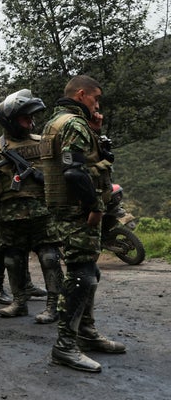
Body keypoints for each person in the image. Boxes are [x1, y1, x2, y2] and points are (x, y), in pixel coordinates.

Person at [41, 75, 125, 373]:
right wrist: (94, 206)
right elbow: (75, 173)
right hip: (76, 210)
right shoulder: (73, 124)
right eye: (95, 99)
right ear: (81, 95)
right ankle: (65, 346)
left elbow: (83, 161)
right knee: (82, 275)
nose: (97, 104)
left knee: (90, 269)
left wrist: (96, 132)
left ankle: (86, 333)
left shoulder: (59, 122)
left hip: (67, 208)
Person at [0, 89, 63, 324]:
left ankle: (54, 306)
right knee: (13, 259)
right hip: (8, 216)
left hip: (43, 213)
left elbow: (61, 173)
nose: (31, 123)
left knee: (50, 257)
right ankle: (19, 302)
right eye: (25, 118)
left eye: (32, 118)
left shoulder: (44, 143)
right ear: (10, 120)